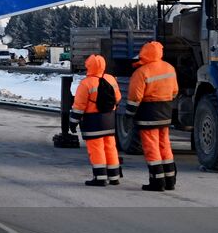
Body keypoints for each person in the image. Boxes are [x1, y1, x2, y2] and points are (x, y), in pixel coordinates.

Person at [126, 41, 178, 191]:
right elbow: (174, 91)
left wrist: (129, 114)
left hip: (148, 113)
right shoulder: (169, 68)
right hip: (165, 112)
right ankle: (170, 180)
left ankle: (157, 182)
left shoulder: (142, 72)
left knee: (151, 147)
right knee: (165, 145)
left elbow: (135, 97)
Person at [72, 54, 122, 186]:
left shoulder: (86, 83)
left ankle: (100, 178)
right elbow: (117, 98)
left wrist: (73, 121)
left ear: (88, 66)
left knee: (96, 149)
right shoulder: (111, 79)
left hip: (92, 122)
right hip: (109, 121)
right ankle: (114, 176)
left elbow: (79, 106)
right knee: (110, 147)